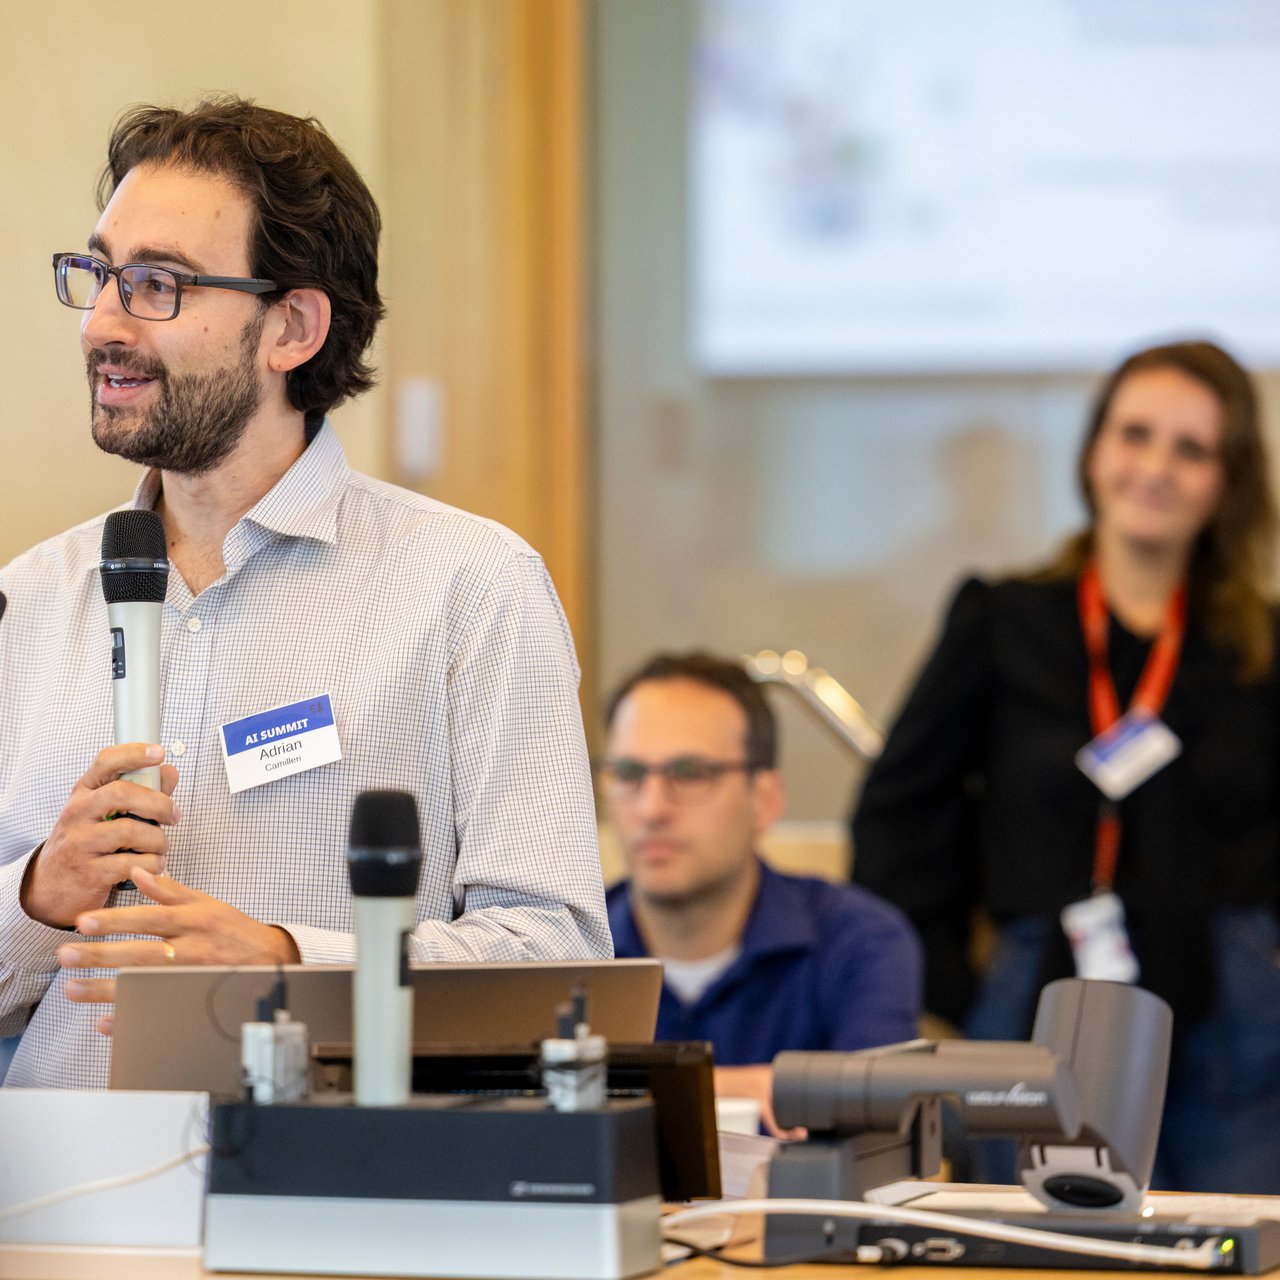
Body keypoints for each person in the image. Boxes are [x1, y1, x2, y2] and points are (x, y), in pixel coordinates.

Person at [0, 98, 609, 1090]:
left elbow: (557, 961)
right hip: (50, 1218)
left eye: (156, 283)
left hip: (336, 1198)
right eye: (100, 273)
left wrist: (285, 963)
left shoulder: (469, 586)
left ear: (292, 325)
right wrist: (34, 895)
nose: (103, 324)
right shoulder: (22, 603)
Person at [852, 339, 1280, 1193]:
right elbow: (897, 818)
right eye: (1136, 434)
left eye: (1191, 449)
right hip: (1035, 1014)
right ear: (1093, 453)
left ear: (1226, 482)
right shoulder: (1005, 620)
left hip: (1234, 1033)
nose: (1156, 467)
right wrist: (970, 992)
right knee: (1029, 1253)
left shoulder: (1260, 648)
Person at [602, 651, 921, 1132]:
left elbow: (887, 1121)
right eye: (628, 774)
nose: (651, 809)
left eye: (689, 773)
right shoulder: (562, 949)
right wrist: (738, 1086)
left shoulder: (859, 938)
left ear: (766, 800)